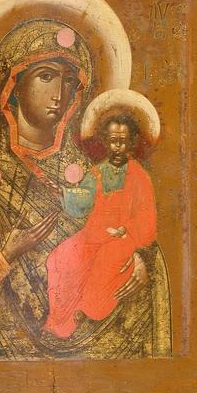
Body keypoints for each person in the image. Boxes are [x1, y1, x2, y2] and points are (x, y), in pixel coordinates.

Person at [0, 18, 171, 360]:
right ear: (13, 86)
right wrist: (2, 257)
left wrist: (141, 260)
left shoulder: (95, 171)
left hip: (97, 339)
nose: (59, 93)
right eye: (46, 76)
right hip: (4, 350)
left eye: (69, 80)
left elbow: (131, 226)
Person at [43, 115, 157, 339]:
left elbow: (147, 216)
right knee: (59, 256)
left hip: (123, 237)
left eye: (123, 141)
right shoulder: (97, 171)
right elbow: (83, 201)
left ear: (131, 142)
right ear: (106, 141)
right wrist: (63, 193)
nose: (118, 146)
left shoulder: (139, 176)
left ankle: (84, 311)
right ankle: (57, 320)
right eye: (114, 141)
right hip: (93, 234)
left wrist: (126, 229)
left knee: (105, 259)